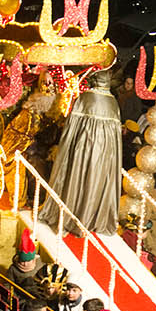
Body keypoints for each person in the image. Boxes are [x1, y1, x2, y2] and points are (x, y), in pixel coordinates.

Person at [42, 71, 122, 235]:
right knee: (95, 181)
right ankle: (90, 217)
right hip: (105, 153)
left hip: (82, 148)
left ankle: (71, 214)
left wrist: (67, 146)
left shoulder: (85, 98)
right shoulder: (113, 102)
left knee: (77, 178)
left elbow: (72, 127)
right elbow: (116, 136)